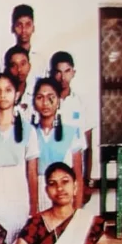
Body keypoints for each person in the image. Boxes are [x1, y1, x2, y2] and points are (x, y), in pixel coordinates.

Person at [0, 72, 39, 244]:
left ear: (17, 94)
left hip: (19, 200)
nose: (3, 95)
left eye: (8, 90)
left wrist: (33, 210)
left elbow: (32, 173)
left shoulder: (28, 130)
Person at [31, 77, 84, 210]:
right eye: (40, 97)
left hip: (63, 194)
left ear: (59, 101)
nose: (45, 103)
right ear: (34, 102)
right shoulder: (29, 133)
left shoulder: (71, 132)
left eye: (51, 97)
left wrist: (77, 209)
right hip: (36, 194)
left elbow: (78, 175)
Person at [50, 51, 95, 200]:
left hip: (73, 173)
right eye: (58, 72)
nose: (62, 77)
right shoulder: (45, 102)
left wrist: (86, 181)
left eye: (67, 71)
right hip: (49, 173)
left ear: (73, 73)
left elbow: (88, 147)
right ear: (52, 73)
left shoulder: (81, 104)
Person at [5, 45, 36, 117]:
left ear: (29, 66)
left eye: (23, 64)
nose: (19, 69)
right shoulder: (2, 94)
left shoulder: (35, 93)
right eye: (14, 65)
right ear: (8, 68)